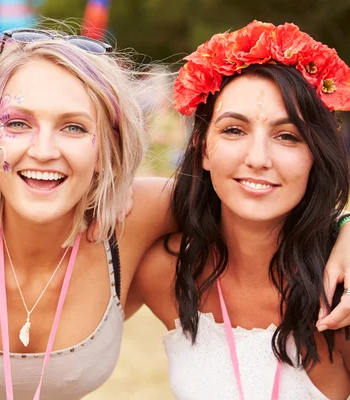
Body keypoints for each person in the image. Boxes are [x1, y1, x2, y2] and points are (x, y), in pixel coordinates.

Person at [0, 28, 350, 399]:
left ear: (108, 144)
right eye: (18, 122)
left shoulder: (136, 218)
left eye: (73, 127)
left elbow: (247, 186)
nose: (43, 150)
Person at [130, 21, 350, 399]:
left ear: (316, 155)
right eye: (234, 130)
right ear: (202, 148)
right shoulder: (162, 271)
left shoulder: (341, 294)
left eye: (288, 136)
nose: (258, 158)